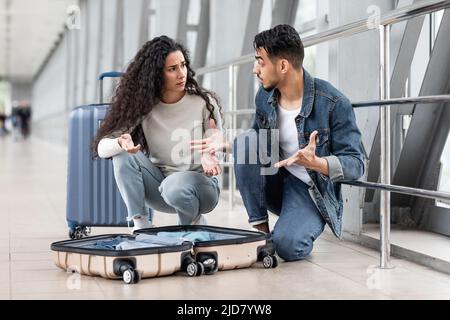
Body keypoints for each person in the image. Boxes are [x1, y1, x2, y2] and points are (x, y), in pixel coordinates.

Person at [191, 24, 365, 261]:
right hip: (275, 180)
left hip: (309, 190)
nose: (255, 69)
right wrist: (227, 144)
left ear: (283, 65)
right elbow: (255, 142)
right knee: (245, 140)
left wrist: (318, 163)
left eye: (260, 61)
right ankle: (261, 235)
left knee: (289, 247)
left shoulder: (334, 103)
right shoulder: (265, 96)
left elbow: (357, 164)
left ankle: (287, 229)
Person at [92, 36, 223, 232]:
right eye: (172, 69)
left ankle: (193, 222)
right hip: (161, 188)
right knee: (121, 154)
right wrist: (120, 142)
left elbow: (215, 138)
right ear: (156, 74)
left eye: (183, 65)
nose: (181, 74)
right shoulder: (143, 106)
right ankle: (141, 225)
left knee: (174, 185)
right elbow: (102, 149)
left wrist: (209, 155)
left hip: (202, 187)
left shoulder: (204, 102)